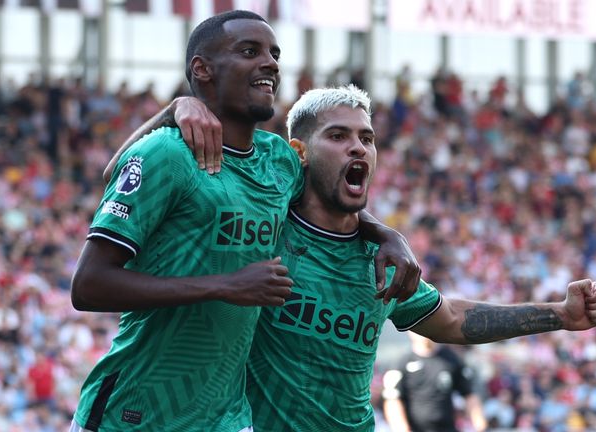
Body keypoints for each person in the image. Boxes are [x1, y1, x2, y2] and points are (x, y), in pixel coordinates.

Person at [156, 85, 596, 431]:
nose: (358, 147)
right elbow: (127, 175)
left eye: (367, 138)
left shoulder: (384, 259)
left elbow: (451, 319)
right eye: (338, 136)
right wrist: (173, 110)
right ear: (300, 154)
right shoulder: (260, 232)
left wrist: (559, 315)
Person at [71, 11, 419, 432]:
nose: (270, 63)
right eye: (249, 51)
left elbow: (329, 201)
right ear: (202, 70)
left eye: (274, 53)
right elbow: (88, 285)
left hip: (226, 419)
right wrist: (226, 286)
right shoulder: (168, 153)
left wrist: (388, 234)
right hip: (134, 413)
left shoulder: (279, 162)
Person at [382, 332, 487, 432]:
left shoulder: (451, 359)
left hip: (447, 428)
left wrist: (479, 423)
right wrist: (401, 428)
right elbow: (393, 400)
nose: (423, 333)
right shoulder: (401, 363)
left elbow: (469, 394)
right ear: (410, 332)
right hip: (415, 429)